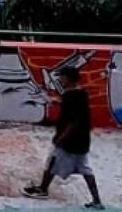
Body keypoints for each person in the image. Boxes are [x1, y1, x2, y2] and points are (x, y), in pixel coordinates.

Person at [25, 66, 103, 208]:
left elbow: (73, 120)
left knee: (52, 161)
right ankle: (97, 200)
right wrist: (58, 102)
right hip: (83, 140)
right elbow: (75, 109)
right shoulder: (81, 94)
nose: (60, 79)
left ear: (68, 78)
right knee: (85, 169)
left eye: (62, 77)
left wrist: (61, 137)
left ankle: (43, 189)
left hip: (69, 140)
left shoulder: (70, 96)